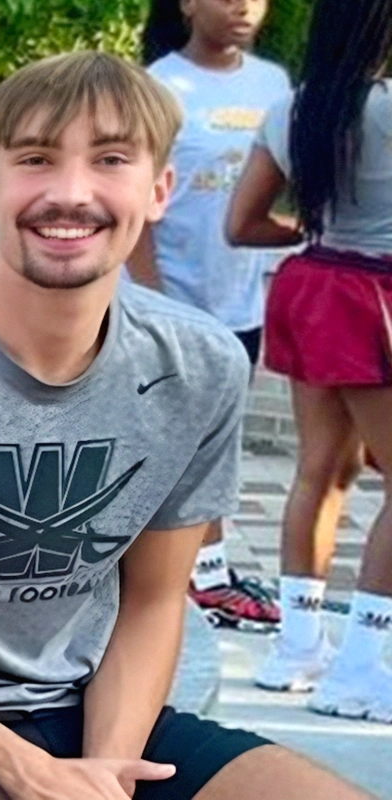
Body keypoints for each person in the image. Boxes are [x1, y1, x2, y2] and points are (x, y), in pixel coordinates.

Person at [0, 52, 366, 800]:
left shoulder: (201, 364)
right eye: (37, 159)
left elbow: (151, 602)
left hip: (77, 706)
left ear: (159, 190)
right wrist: (26, 770)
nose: (71, 193)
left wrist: (105, 771)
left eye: (111, 159)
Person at [226, 0, 392, 724]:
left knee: (320, 473)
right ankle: (365, 667)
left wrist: (324, 230)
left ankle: (298, 647)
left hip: (316, 284)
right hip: (379, 296)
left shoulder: (296, 108)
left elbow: (243, 223)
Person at [128, 0, 293, 630]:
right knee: (171, 443)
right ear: (188, 4)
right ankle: (171, 579)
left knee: (215, 446)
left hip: (240, 303)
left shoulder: (274, 83)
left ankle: (210, 576)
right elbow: (140, 200)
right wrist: (153, 297)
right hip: (168, 301)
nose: (243, 6)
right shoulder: (159, 85)